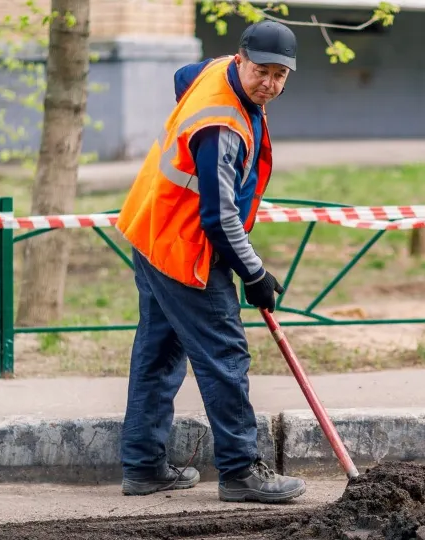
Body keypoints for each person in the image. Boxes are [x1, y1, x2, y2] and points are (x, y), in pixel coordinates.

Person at [114, 20, 306, 504]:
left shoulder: (216, 73)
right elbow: (219, 219)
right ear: (240, 59)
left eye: (281, 76)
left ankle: (142, 467)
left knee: (158, 352)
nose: (270, 84)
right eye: (261, 71)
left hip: (152, 229)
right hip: (183, 247)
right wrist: (255, 273)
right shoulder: (221, 125)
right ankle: (241, 471)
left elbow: (183, 73)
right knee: (225, 355)